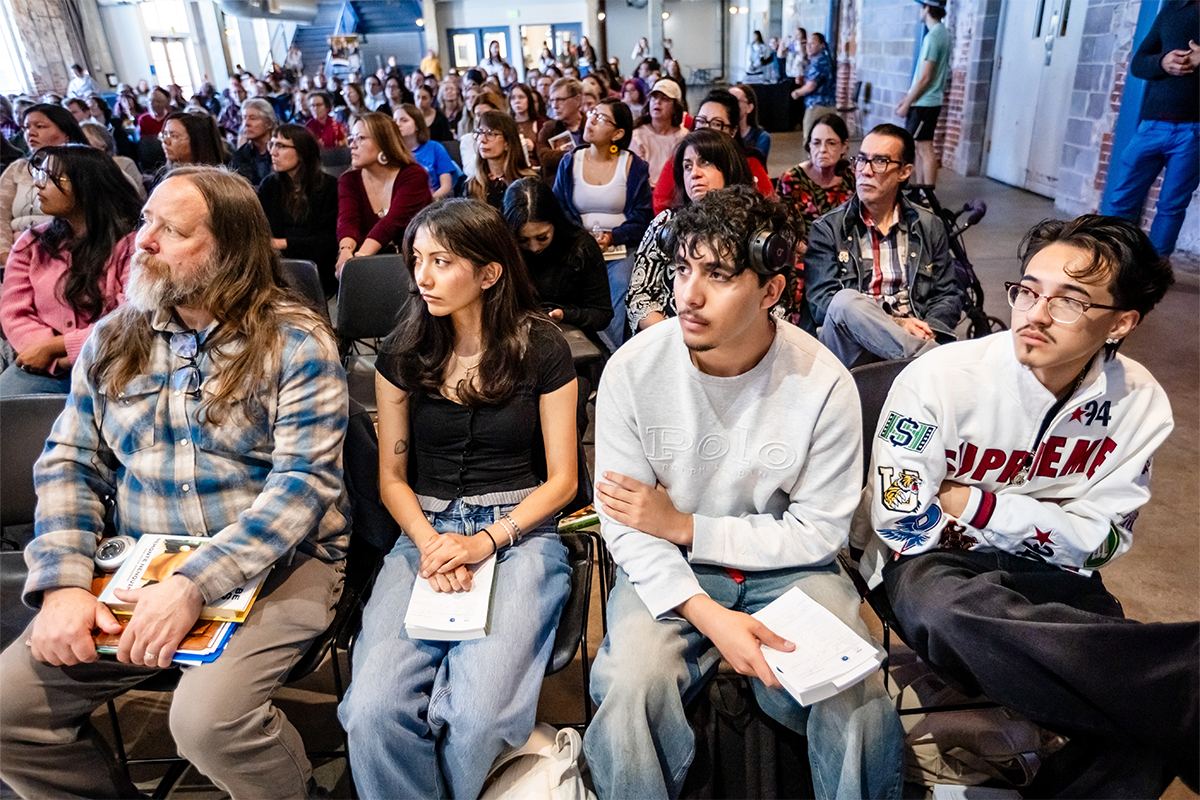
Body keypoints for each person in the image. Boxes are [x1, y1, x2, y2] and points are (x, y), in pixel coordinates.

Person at [0, 165, 350, 798]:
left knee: (207, 724)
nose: (144, 241)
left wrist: (194, 583)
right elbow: (69, 464)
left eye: (171, 229)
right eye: (145, 221)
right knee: (6, 710)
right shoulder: (111, 339)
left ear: (227, 250)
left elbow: (301, 484)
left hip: (278, 561)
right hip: (141, 563)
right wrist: (63, 585)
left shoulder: (296, 343)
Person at [856, 214, 1198, 799]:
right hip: (929, 565)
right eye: (1028, 290)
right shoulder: (942, 377)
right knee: (952, 613)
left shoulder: (1139, 402)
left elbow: (1105, 541)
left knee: (1142, 725)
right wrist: (1054, 517)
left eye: (1069, 301)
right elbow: (904, 519)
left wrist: (980, 505)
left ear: (1121, 322)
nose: (1035, 314)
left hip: (1053, 576)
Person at [584, 185, 904, 800]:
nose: (689, 296)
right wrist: (710, 616)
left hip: (792, 570)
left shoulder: (822, 382)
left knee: (858, 701)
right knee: (629, 688)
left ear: (772, 290)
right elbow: (625, 524)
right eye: (682, 270)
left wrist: (685, 525)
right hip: (676, 575)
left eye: (719, 275)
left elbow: (819, 531)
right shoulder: (633, 369)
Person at [337, 198, 576, 799]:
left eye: (441, 261)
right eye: (417, 259)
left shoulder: (541, 347)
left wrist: (482, 542)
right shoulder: (401, 351)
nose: (422, 276)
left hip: (518, 530)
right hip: (426, 527)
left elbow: (563, 481)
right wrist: (432, 544)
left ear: (490, 272)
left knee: (479, 716)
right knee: (370, 711)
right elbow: (392, 478)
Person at [806, 123, 958, 368]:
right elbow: (822, 304)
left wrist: (927, 329)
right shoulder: (828, 228)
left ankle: (919, 357)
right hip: (849, 348)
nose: (865, 171)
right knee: (845, 302)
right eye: (862, 160)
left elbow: (947, 295)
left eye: (880, 162)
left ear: (904, 172)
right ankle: (932, 363)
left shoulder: (929, 225)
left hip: (911, 337)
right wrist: (896, 323)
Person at [0, 145, 140, 395]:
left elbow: (131, 316)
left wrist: (60, 348)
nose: (38, 185)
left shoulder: (133, 245)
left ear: (85, 185)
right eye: (38, 176)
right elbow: (15, 312)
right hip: (44, 366)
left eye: (49, 178)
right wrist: (48, 355)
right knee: (8, 411)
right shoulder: (31, 243)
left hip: (114, 360)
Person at [627, 129, 755, 333]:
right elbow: (640, 295)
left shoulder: (755, 229)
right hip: (669, 335)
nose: (694, 173)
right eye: (687, 166)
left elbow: (776, 308)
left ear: (729, 168)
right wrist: (675, 338)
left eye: (705, 162)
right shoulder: (665, 224)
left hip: (736, 341)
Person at [1099, 0, 1199, 257]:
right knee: (1122, 200)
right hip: (1152, 125)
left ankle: (1155, 271)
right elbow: (1139, 62)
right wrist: (1162, 62)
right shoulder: (1174, 9)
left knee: (1171, 206)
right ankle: (1109, 260)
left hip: (1195, 131)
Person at [553, 98, 652, 351]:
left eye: (601, 118)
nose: (591, 121)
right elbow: (558, 209)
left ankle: (613, 357)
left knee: (616, 296)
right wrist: (581, 238)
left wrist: (612, 236)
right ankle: (585, 356)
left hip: (619, 250)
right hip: (577, 248)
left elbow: (642, 217)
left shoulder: (633, 165)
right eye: (592, 114)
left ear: (618, 133)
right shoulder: (570, 161)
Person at [503, 176, 613, 348]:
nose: (534, 247)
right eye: (523, 240)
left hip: (571, 337)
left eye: (542, 237)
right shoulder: (503, 250)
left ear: (555, 222)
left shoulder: (581, 247)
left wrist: (565, 315)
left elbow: (602, 314)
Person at [777, 113, 855, 327]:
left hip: (844, 252)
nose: (822, 150)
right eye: (816, 143)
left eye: (831, 143)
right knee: (801, 275)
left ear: (844, 147)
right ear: (808, 145)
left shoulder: (852, 179)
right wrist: (814, 252)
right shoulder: (792, 179)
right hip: (803, 251)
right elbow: (784, 227)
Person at [336, 112, 432, 277]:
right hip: (370, 267)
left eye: (360, 138)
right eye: (351, 138)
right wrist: (345, 252)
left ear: (383, 142)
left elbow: (391, 223)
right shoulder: (349, 180)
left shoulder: (413, 175)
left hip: (414, 264)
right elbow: (348, 221)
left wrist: (358, 259)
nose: (352, 145)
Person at [650, 89, 775, 214]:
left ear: (733, 130)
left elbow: (769, 208)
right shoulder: (682, 160)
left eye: (716, 123)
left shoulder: (749, 164)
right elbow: (661, 205)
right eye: (701, 121)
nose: (706, 129)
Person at [258, 123, 340, 296]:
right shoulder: (269, 186)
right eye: (271, 144)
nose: (273, 152)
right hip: (277, 270)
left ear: (302, 152)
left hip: (318, 271)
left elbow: (327, 242)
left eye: (280, 146)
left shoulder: (328, 186)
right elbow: (260, 231)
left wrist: (280, 243)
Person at [1, 104, 88, 265]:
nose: (30, 133)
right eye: (26, 127)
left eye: (40, 126)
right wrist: (7, 256)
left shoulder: (87, 167)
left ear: (66, 133)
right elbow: (0, 214)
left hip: (63, 253)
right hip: (14, 255)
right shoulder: (18, 169)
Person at [895, 0, 951, 187]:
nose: (920, 10)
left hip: (925, 103)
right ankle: (921, 191)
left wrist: (907, 103)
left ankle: (928, 195)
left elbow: (926, 76)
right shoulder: (942, 33)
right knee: (919, 146)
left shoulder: (933, 37)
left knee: (924, 147)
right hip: (925, 101)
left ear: (927, 8)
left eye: (922, 6)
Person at [467, 110, 534, 209]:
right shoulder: (473, 185)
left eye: (491, 134)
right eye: (480, 132)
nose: (482, 140)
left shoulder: (528, 182)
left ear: (507, 142)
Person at [394, 103, 459, 200]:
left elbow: (446, 187)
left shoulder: (435, 147)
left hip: (433, 204)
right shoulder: (392, 153)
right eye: (394, 121)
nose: (397, 124)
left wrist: (426, 201)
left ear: (417, 125)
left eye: (404, 120)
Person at [631, 78, 686, 189]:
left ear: (675, 106)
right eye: (654, 97)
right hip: (645, 193)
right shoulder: (638, 135)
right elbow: (636, 176)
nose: (657, 102)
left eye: (665, 99)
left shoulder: (684, 137)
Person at [536, 77, 587, 183]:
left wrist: (559, 155)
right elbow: (544, 157)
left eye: (560, 100)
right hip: (557, 188)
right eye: (552, 100)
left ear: (578, 100)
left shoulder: (591, 127)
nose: (554, 106)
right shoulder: (549, 129)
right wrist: (579, 156)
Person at [791, 33, 838, 147]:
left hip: (818, 106)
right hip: (827, 105)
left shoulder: (819, 61)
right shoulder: (822, 59)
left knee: (810, 141)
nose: (809, 46)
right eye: (808, 43)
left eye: (813, 43)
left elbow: (811, 86)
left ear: (821, 45)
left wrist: (797, 92)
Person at [79, 121, 145, 199]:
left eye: (85, 141)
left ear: (102, 144)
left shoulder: (123, 164)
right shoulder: (80, 170)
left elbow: (138, 197)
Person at [230, 98, 276, 187]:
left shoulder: (280, 150)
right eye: (243, 118)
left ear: (269, 122)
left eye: (253, 118)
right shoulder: (242, 154)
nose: (246, 123)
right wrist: (241, 153)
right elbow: (242, 186)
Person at [730, 82, 771, 162]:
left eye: (736, 100)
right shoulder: (720, 133)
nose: (731, 105)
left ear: (749, 107)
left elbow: (755, 165)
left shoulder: (761, 137)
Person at [508, 83, 544, 167]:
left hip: (536, 169)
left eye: (521, 97)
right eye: (513, 98)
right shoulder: (507, 124)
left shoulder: (540, 123)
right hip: (514, 169)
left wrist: (534, 147)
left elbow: (547, 151)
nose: (517, 101)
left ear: (529, 99)